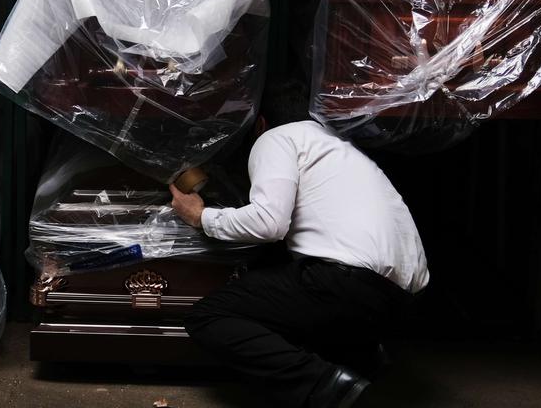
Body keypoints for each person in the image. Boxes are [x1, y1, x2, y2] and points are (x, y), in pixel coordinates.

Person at [170, 89, 428, 408]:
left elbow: (269, 223)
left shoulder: (276, 137)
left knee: (209, 316)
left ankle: (329, 389)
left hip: (348, 286)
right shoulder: (336, 144)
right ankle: (361, 355)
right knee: (284, 279)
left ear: (259, 123)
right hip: (402, 301)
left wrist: (200, 216)